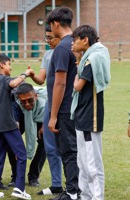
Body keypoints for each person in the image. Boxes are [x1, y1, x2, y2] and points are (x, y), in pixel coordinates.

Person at [0, 53, 33, 200]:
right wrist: (26, 74)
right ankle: (19, 188)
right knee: (21, 155)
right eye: (9, 64)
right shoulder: (4, 80)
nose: (10, 67)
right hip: (6, 125)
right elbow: (14, 84)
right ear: (2, 65)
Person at [71, 25, 111, 200]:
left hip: (90, 117)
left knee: (93, 164)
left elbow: (77, 86)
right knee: (82, 162)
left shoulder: (92, 59)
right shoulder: (87, 59)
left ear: (85, 40)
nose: (72, 44)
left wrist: (77, 71)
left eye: (75, 40)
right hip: (82, 116)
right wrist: (78, 60)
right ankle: (85, 195)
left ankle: (97, 197)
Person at [46, 7, 79, 200]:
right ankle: (76, 189)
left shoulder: (62, 47)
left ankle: (72, 191)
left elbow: (60, 82)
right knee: (74, 150)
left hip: (65, 109)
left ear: (56, 24)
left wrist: (53, 116)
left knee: (68, 151)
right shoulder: (77, 42)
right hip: (77, 106)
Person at [30, 25, 63, 196]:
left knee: (69, 147)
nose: (48, 41)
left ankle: (75, 185)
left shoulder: (67, 51)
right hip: (50, 103)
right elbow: (41, 80)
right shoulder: (48, 54)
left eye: (51, 38)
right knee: (50, 146)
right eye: (46, 38)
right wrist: (32, 75)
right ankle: (56, 184)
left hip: (65, 105)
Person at [8, 83, 47, 187]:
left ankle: (34, 176)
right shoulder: (16, 104)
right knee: (11, 141)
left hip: (41, 116)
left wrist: (44, 125)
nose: (27, 104)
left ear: (36, 96)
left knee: (46, 142)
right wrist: (16, 146)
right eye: (23, 102)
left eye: (30, 100)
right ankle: (16, 176)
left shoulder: (45, 102)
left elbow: (52, 110)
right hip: (22, 116)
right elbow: (15, 128)